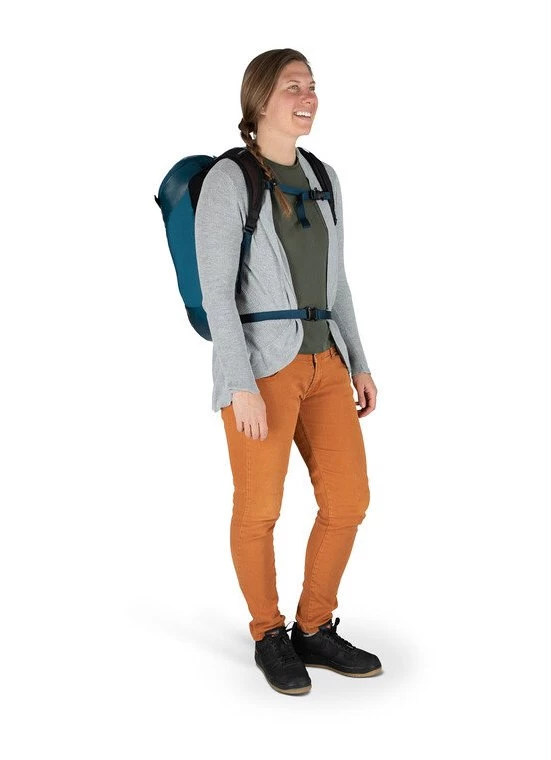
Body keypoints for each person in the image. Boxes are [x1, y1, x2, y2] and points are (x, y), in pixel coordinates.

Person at [194, 48, 382, 695]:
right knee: (259, 509)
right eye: (291, 87)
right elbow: (217, 294)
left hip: (325, 362)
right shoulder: (229, 179)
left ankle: (313, 627)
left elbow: (337, 280)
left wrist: (358, 361)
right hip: (261, 368)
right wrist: (238, 383)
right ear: (259, 100)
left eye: (312, 86)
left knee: (348, 500)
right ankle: (267, 633)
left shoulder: (323, 176)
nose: (308, 97)